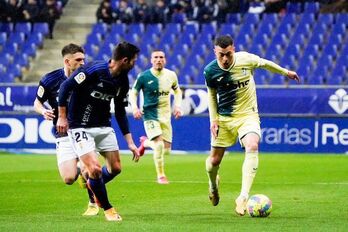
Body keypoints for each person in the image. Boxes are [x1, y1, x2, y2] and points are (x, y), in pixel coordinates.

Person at [203, 35, 300, 216]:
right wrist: (213, 120)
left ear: (234, 49)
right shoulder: (210, 71)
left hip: (248, 115)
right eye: (221, 55)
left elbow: (265, 63)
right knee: (214, 162)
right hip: (224, 118)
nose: (225, 59)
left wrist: (285, 72)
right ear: (214, 51)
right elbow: (211, 96)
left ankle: (243, 197)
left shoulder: (246, 59)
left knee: (252, 145)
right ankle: (213, 184)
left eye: (229, 54)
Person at [56, 41, 141, 222]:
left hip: (103, 126)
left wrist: (130, 142)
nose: (135, 64)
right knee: (94, 169)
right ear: (125, 60)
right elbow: (65, 87)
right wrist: (62, 117)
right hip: (80, 126)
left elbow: (119, 111)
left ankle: (91, 184)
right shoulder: (93, 70)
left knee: (116, 169)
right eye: (134, 61)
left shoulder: (123, 81)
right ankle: (108, 209)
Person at [33, 43, 100, 216]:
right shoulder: (50, 80)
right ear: (67, 61)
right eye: (78, 60)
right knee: (69, 178)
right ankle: (78, 171)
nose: (82, 63)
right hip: (62, 132)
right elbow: (37, 102)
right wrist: (43, 111)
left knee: (89, 168)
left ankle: (93, 203)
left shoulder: (89, 78)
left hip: (85, 130)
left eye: (83, 59)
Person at [130, 50, 182, 184]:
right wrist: (135, 107)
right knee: (158, 146)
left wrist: (177, 106)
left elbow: (177, 91)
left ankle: (145, 143)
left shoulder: (171, 75)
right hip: (149, 114)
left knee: (167, 150)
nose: (159, 59)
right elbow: (133, 93)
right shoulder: (144, 76)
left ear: (165, 60)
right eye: (156, 57)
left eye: (161, 57)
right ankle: (161, 176)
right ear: (151, 60)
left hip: (165, 115)